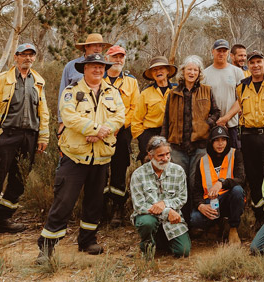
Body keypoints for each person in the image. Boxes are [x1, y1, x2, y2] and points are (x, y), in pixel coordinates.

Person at [37, 54, 125, 263]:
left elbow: (119, 116)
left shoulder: (112, 92)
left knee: (94, 202)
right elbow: (68, 116)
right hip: (75, 157)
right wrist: (94, 128)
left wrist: (103, 131)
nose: (97, 70)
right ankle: (47, 247)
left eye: (100, 67)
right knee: (64, 202)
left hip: (101, 157)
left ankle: (87, 240)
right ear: (84, 69)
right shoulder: (71, 91)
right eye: (93, 66)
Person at [0, 43, 49, 240]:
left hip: (30, 137)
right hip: (5, 136)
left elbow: (43, 111)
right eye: (23, 55)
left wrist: (43, 136)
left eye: (31, 55)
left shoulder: (38, 81)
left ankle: (4, 219)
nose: (27, 58)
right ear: (15, 57)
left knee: (19, 179)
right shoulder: (2, 80)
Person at [222, 50, 264, 219]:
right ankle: (259, 216)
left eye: (259, 62)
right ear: (249, 66)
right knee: (253, 177)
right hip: (248, 136)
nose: (256, 65)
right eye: (252, 63)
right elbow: (240, 108)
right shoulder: (242, 86)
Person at [161, 55, 221, 221]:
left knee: (196, 184)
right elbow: (166, 120)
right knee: (179, 184)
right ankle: (180, 219)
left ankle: (196, 220)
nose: (192, 72)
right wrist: (163, 144)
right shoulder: (173, 94)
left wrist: (206, 124)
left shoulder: (206, 90)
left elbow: (217, 112)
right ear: (183, 71)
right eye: (189, 69)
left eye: (195, 70)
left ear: (199, 73)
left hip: (199, 146)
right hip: (177, 147)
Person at [129, 136, 190, 258]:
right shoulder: (138, 174)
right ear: (150, 156)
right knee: (147, 222)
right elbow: (139, 205)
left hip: (172, 219)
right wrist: (166, 211)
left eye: (168, 154)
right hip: (150, 217)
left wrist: (164, 203)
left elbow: (182, 198)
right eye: (160, 155)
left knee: (183, 251)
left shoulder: (178, 171)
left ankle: (161, 241)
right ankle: (147, 246)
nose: (166, 158)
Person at [102, 45, 140, 226]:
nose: (118, 60)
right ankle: (100, 208)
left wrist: (119, 126)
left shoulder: (131, 82)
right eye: (114, 56)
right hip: (100, 131)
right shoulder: (98, 78)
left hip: (122, 132)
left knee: (118, 170)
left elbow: (135, 107)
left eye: (121, 57)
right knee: (100, 170)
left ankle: (117, 208)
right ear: (107, 58)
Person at [191, 126, 246, 245]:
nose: (220, 144)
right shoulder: (202, 161)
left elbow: (241, 180)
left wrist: (221, 183)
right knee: (195, 219)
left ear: (228, 141)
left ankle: (233, 228)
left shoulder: (235, 154)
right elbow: (197, 190)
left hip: (228, 199)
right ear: (211, 142)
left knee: (237, 191)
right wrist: (201, 206)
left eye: (223, 140)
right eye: (216, 140)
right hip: (210, 203)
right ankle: (216, 225)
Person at [58, 33, 111, 125]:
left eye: (100, 46)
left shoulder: (106, 67)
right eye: (95, 45)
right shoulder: (71, 66)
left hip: (102, 120)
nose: (98, 49)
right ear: (86, 46)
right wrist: (62, 121)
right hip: (76, 119)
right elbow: (63, 93)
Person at [132, 56, 177, 162]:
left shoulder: (176, 90)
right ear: (152, 74)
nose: (158, 72)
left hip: (172, 135)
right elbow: (136, 121)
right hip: (151, 135)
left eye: (161, 68)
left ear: (167, 71)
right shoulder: (145, 93)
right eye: (155, 70)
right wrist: (144, 140)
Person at [204, 39, 246, 150]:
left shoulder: (237, 72)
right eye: (219, 50)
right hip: (212, 126)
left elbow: (241, 99)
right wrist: (214, 120)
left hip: (231, 125)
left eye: (224, 51)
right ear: (213, 51)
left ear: (228, 53)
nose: (221, 53)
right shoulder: (204, 74)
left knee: (233, 158)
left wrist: (226, 118)